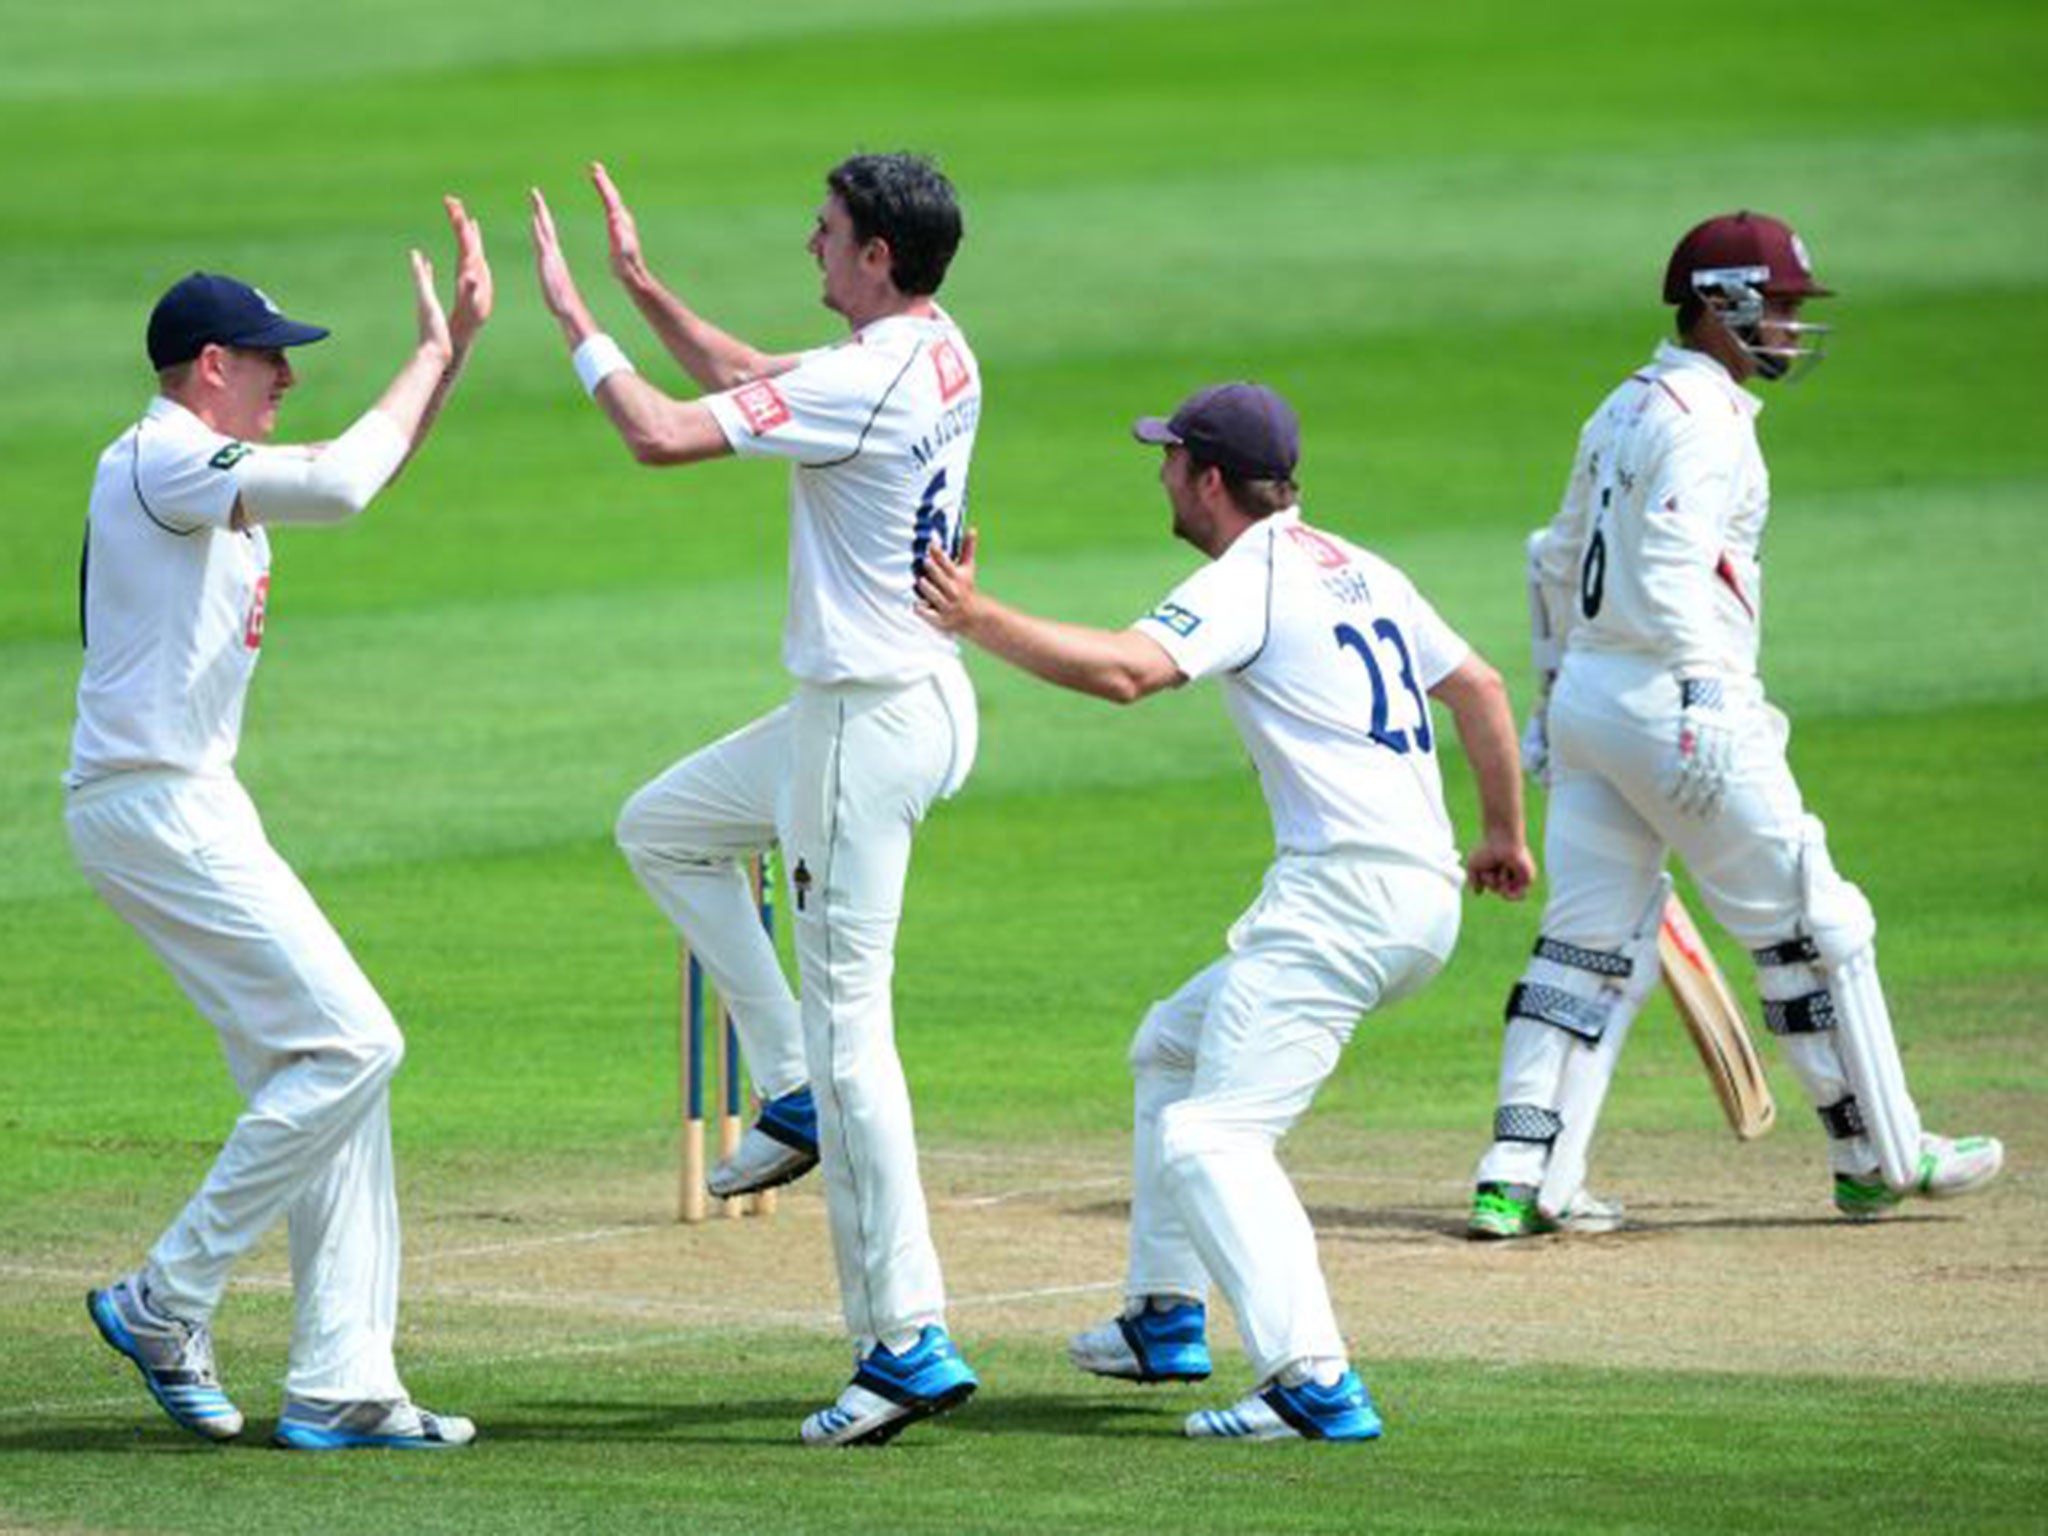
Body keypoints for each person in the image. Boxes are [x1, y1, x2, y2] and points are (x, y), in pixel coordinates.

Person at [916, 381, 1534, 1442]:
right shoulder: (1356, 564)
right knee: (1170, 1046)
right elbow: (1477, 685)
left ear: (1207, 478)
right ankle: (1163, 1316)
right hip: (1415, 897)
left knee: (1215, 1136)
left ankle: (1313, 1381)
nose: (1157, 471)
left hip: (1339, 904)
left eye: (1167, 458)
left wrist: (974, 617)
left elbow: (1125, 674)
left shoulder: (1249, 575)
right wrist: (1501, 839)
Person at [529, 155, 982, 1446]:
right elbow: (748, 378)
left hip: (862, 724)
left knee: (860, 1046)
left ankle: (902, 1342)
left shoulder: (867, 376)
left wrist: (578, 324)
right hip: (910, 702)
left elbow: (662, 432)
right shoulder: (940, 348)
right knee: (664, 828)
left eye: (829, 233)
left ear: (879, 256)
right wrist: (646, 289)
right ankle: (780, 1081)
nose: (812, 245)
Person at [1466, 211, 2005, 1240]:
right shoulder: (1702, 423)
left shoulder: (1620, 404)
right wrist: (1709, 695)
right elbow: (1669, 571)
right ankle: (1882, 1155)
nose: (1794, 327)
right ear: (1720, 304)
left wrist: (1547, 704)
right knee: (1815, 922)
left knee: (1580, 949)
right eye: (1784, 305)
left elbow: (1550, 555)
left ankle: (1518, 1177)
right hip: (1675, 705)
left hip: (1589, 703)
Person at [72, 200, 493, 1448]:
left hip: (193, 800)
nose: (288, 379)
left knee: (322, 1077)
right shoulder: (155, 456)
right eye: (269, 361)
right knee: (355, 1043)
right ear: (211, 368)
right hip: (151, 803)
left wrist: (453, 355)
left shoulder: (208, 478)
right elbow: (344, 482)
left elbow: (348, 477)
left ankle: (341, 1380)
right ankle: (165, 1296)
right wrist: (428, 353)